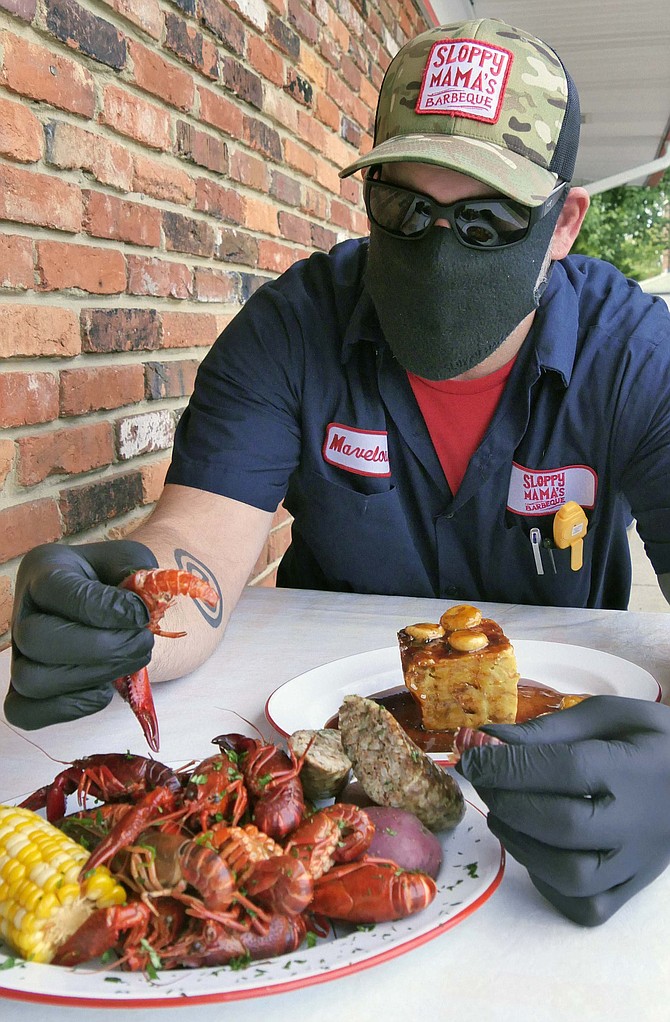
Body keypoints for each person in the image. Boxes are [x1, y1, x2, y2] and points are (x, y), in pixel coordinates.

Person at [6, 18, 670, 926]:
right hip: (316, 771)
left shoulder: (634, 355)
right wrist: (124, 617)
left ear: (561, 224)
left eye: (485, 220)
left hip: (559, 759)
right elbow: (198, 544)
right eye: (406, 209)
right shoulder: (291, 329)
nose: (438, 251)